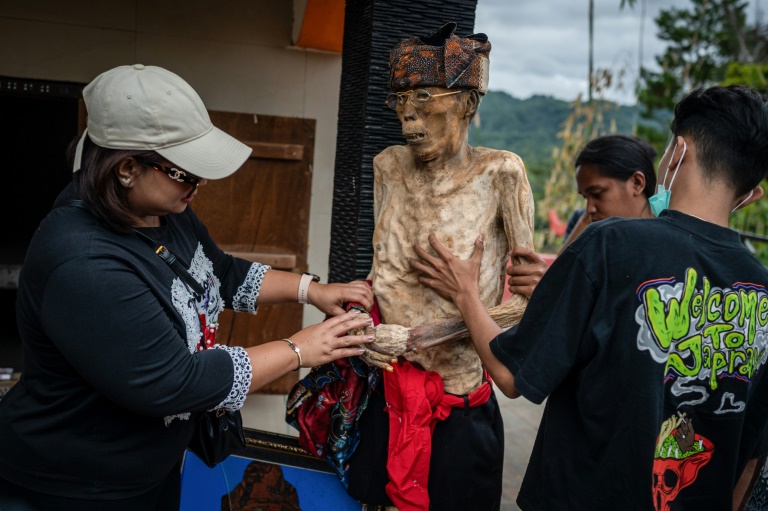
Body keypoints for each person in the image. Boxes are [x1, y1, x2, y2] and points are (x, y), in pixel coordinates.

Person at [0, 64, 374, 511]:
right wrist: (298, 349)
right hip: (79, 483)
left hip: (150, 465)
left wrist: (311, 290)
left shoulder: (163, 210)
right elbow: (176, 381)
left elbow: (218, 271)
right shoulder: (84, 263)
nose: (198, 187)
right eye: (187, 174)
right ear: (126, 168)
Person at [410, 85, 768, 509]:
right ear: (750, 192)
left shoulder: (611, 245)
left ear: (678, 153)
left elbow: (510, 374)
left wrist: (465, 291)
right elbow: (751, 458)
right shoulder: (760, 287)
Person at [339, 23, 535, 511]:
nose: (409, 118)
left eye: (424, 97)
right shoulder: (388, 165)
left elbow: (527, 303)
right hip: (385, 393)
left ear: (467, 103)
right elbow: (381, 271)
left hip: (457, 406)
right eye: (401, 102)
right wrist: (364, 328)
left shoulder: (501, 174)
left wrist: (427, 335)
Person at [508, 134, 657, 299]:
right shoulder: (593, 232)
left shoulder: (665, 246)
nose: (589, 209)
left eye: (598, 194)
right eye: (585, 197)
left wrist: (554, 289)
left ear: (637, 183)